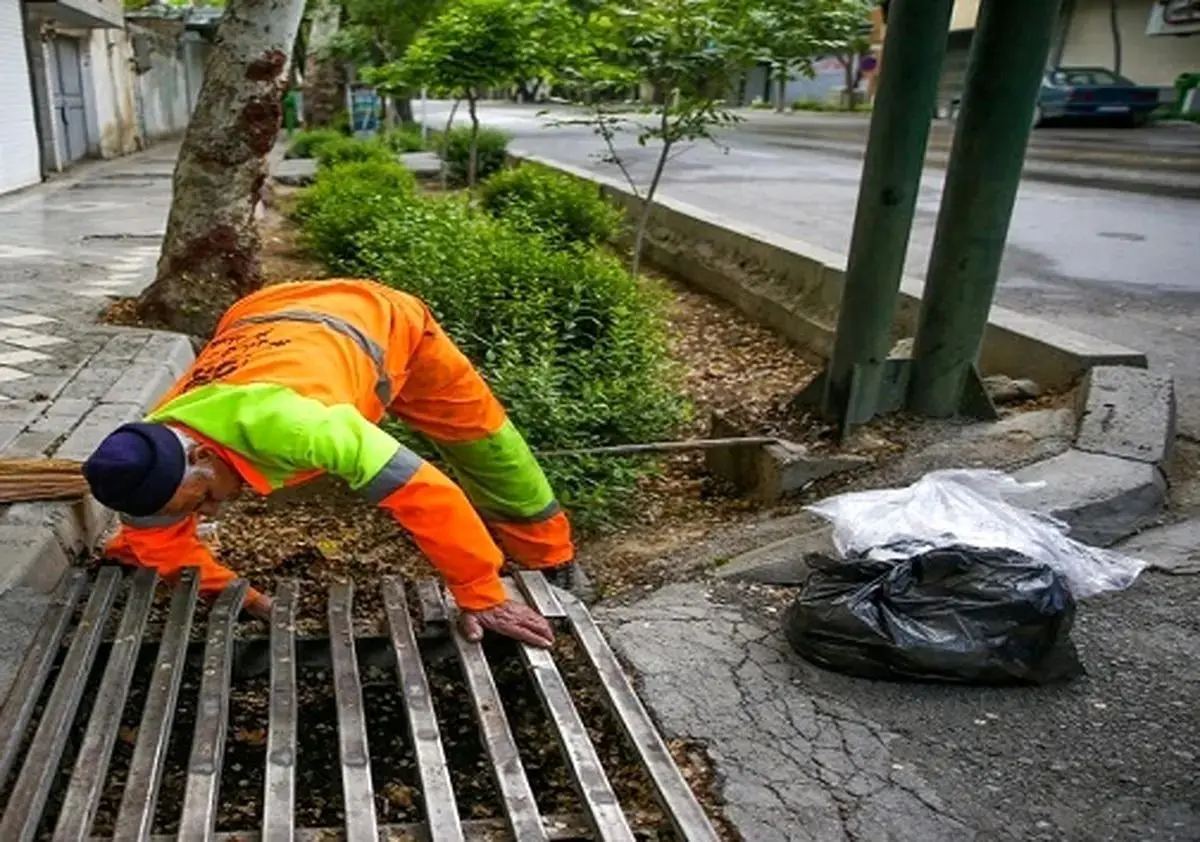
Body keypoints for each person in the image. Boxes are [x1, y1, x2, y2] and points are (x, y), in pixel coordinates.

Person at [81, 279, 579, 648]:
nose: (208, 514)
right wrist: (246, 598)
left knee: (483, 442)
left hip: (381, 319)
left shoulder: (301, 427)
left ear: (204, 453)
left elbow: (427, 493)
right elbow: (161, 538)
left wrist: (480, 592)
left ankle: (550, 557)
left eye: (205, 499)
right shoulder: (151, 450)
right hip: (261, 313)